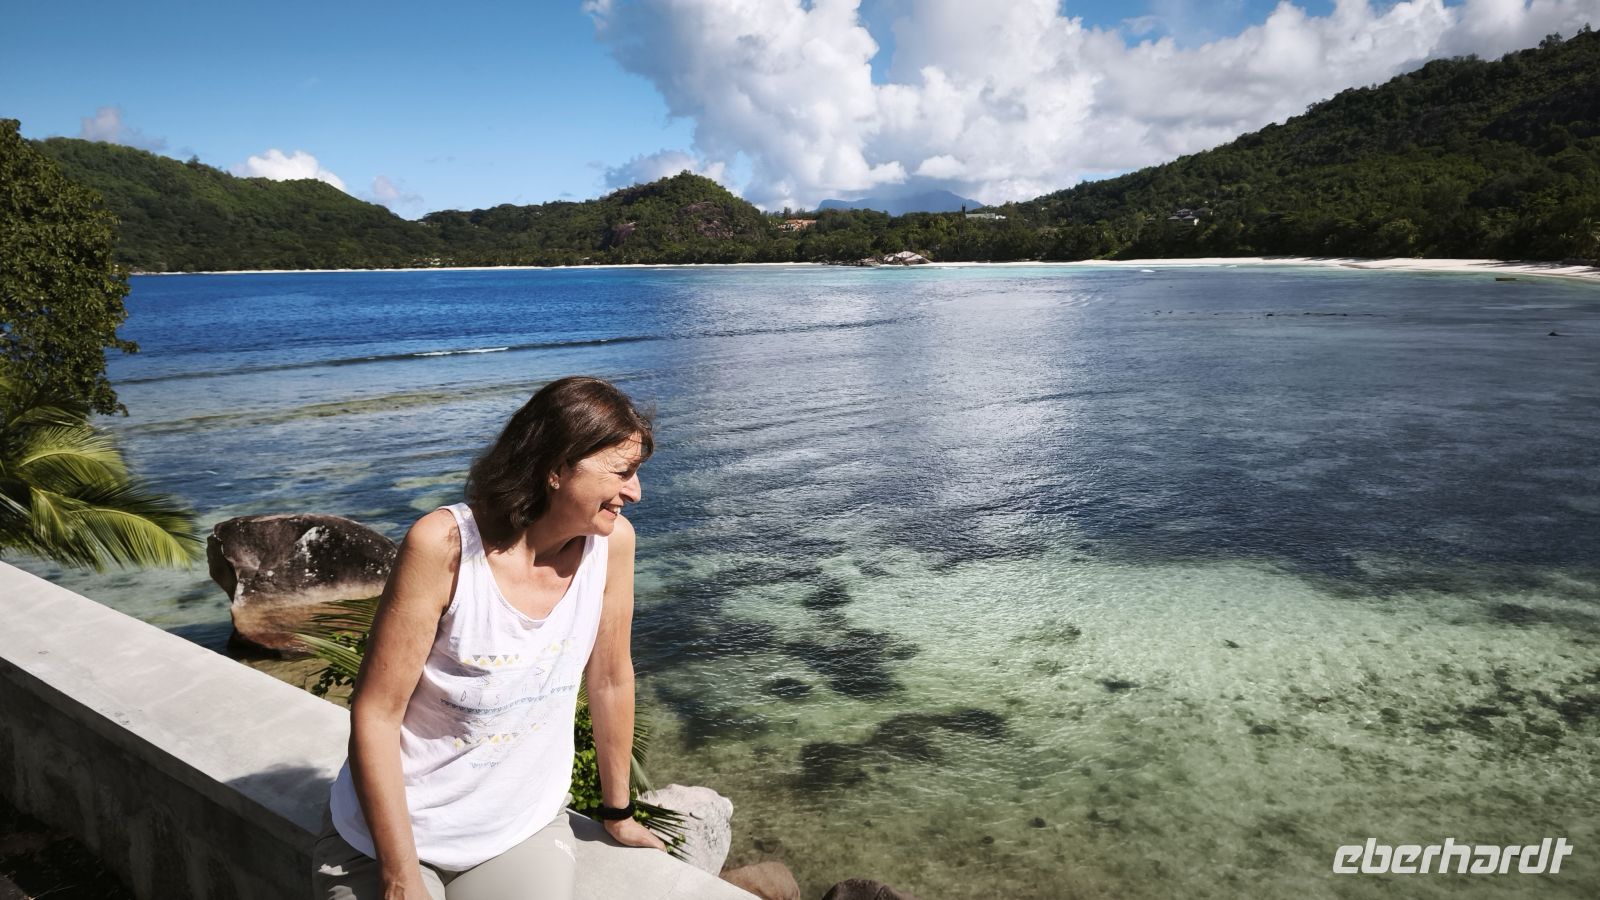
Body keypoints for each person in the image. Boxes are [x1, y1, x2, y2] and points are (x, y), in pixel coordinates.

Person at [313, 376, 664, 900]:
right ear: (556, 468)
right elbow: (376, 713)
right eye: (623, 472)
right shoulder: (445, 546)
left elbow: (611, 678)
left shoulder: (611, 546)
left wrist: (618, 812)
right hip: (391, 837)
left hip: (518, 830)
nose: (635, 492)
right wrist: (400, 876)